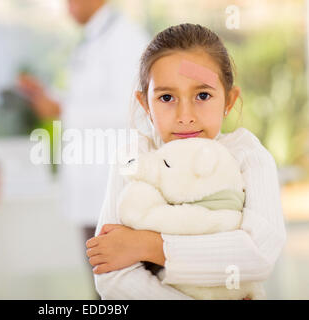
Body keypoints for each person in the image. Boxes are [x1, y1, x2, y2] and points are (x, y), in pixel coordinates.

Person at [85, 23, 287, 299]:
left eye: (202, 95)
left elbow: (258, 254)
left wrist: (150, 245)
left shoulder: (247, 155)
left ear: (229, 100)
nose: (185, 116)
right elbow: (110, 274)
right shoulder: (134, 160)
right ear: (145, 104)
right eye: (166, 97)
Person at [17, 0, 148, 299]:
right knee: (101, 283)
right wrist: (47, 96)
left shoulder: (125, 37)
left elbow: (128, 107)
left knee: (119, 286)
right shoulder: (93, 38)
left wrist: (61, 107)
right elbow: (85, 101)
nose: (66, 5)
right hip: (91, 186)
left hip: (110, 186)